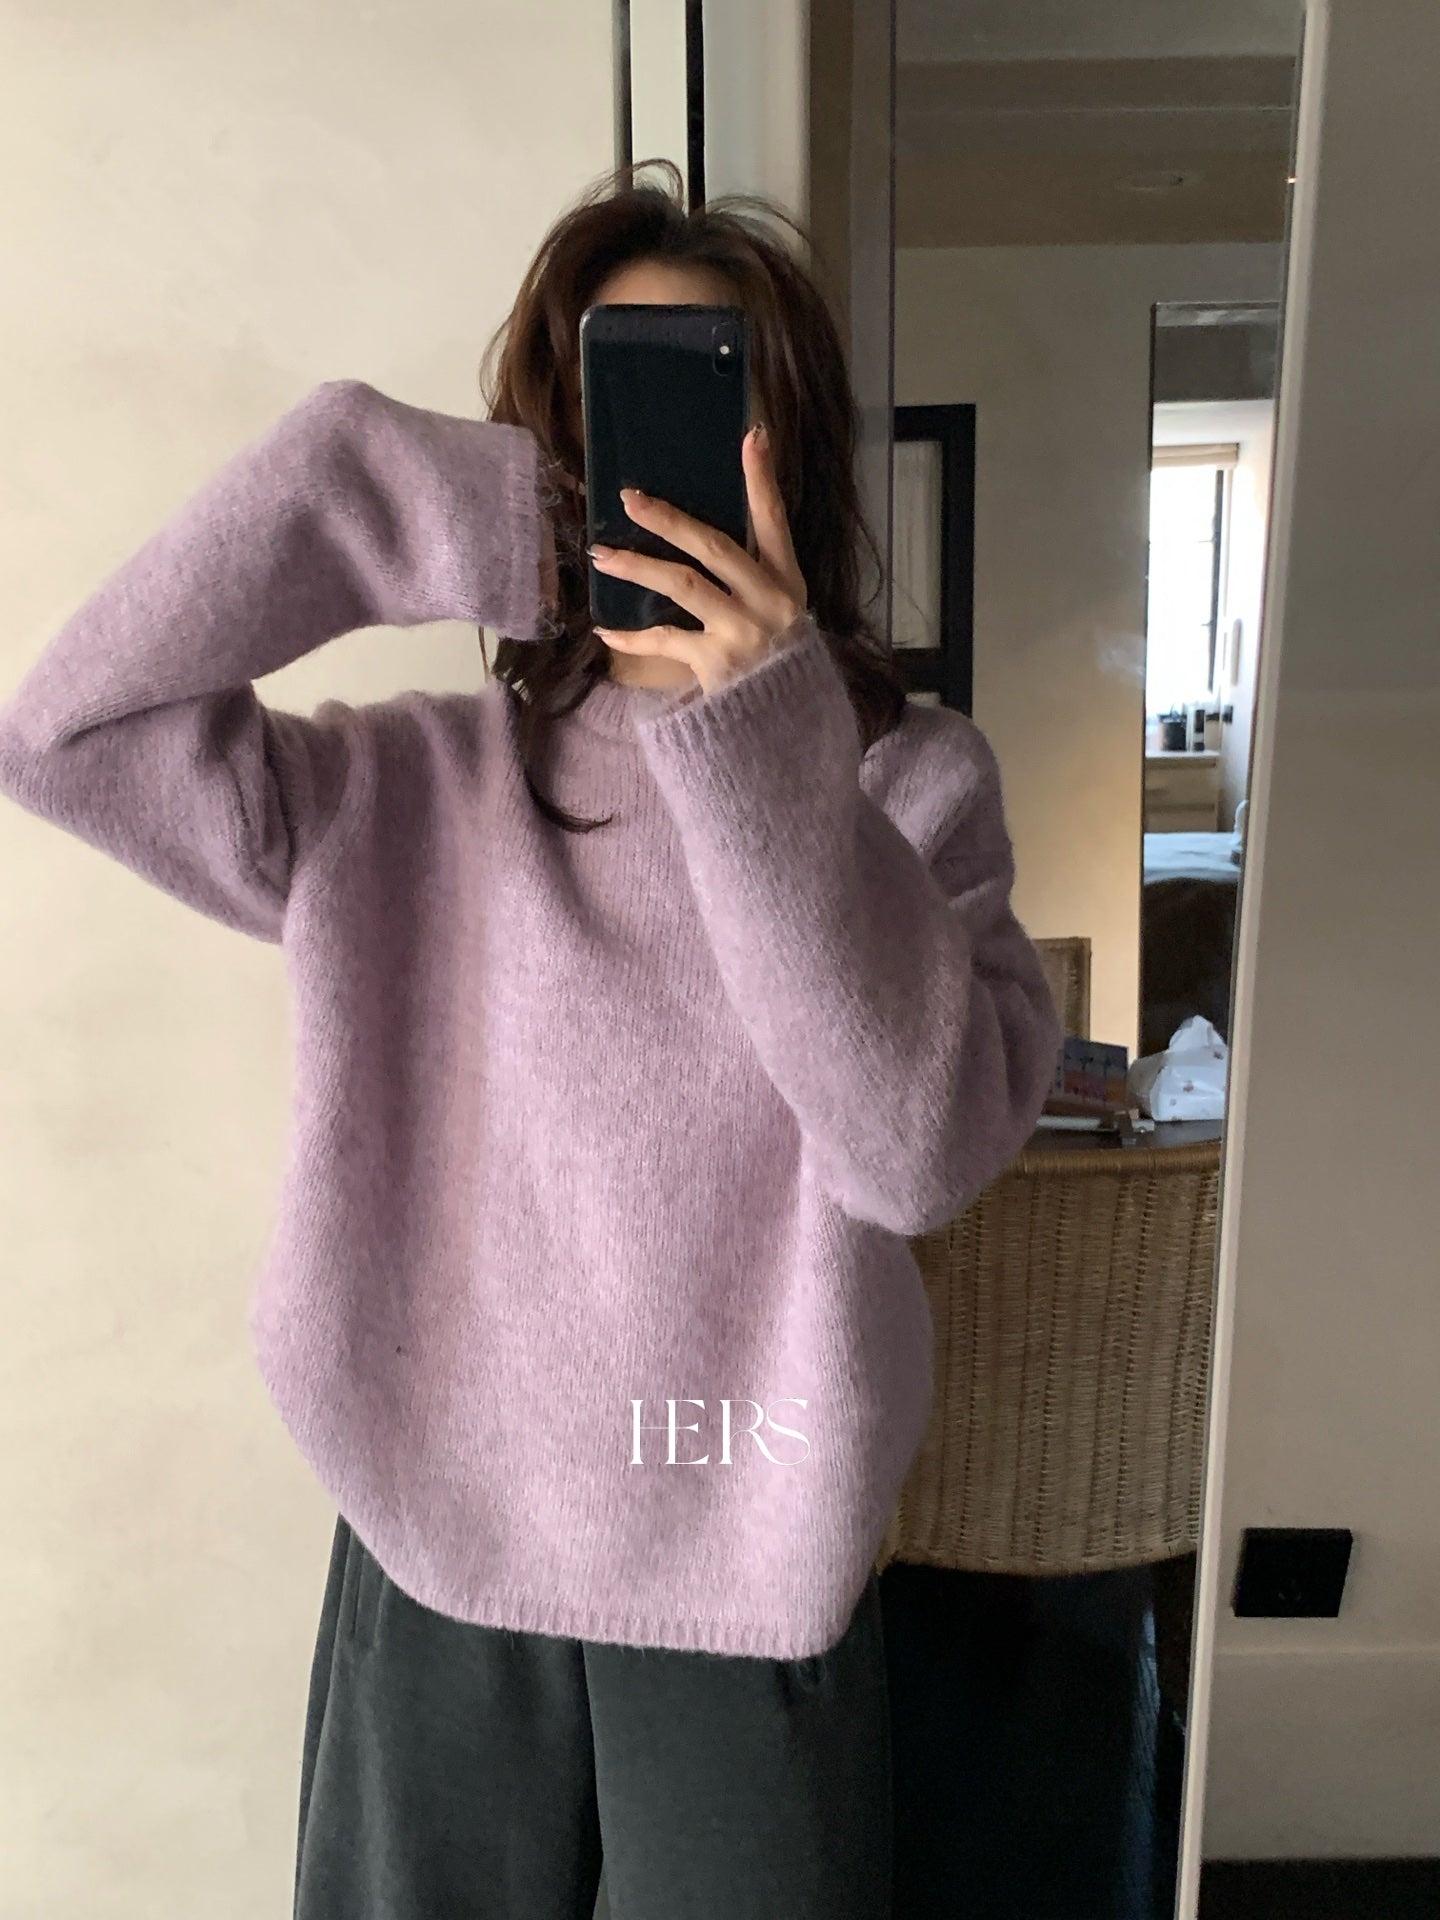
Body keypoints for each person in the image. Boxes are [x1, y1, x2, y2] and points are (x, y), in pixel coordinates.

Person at [0, 162, 1061, 1919]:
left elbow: (911, 1157)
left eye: (699, 406)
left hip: (748, 1546)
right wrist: (403, 492)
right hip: (438, 1541)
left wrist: (761, 732)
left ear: (785, 451)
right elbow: (62, 736)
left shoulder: (905, 783)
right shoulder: (408, 787)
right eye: (593, 416)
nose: (637, 469)